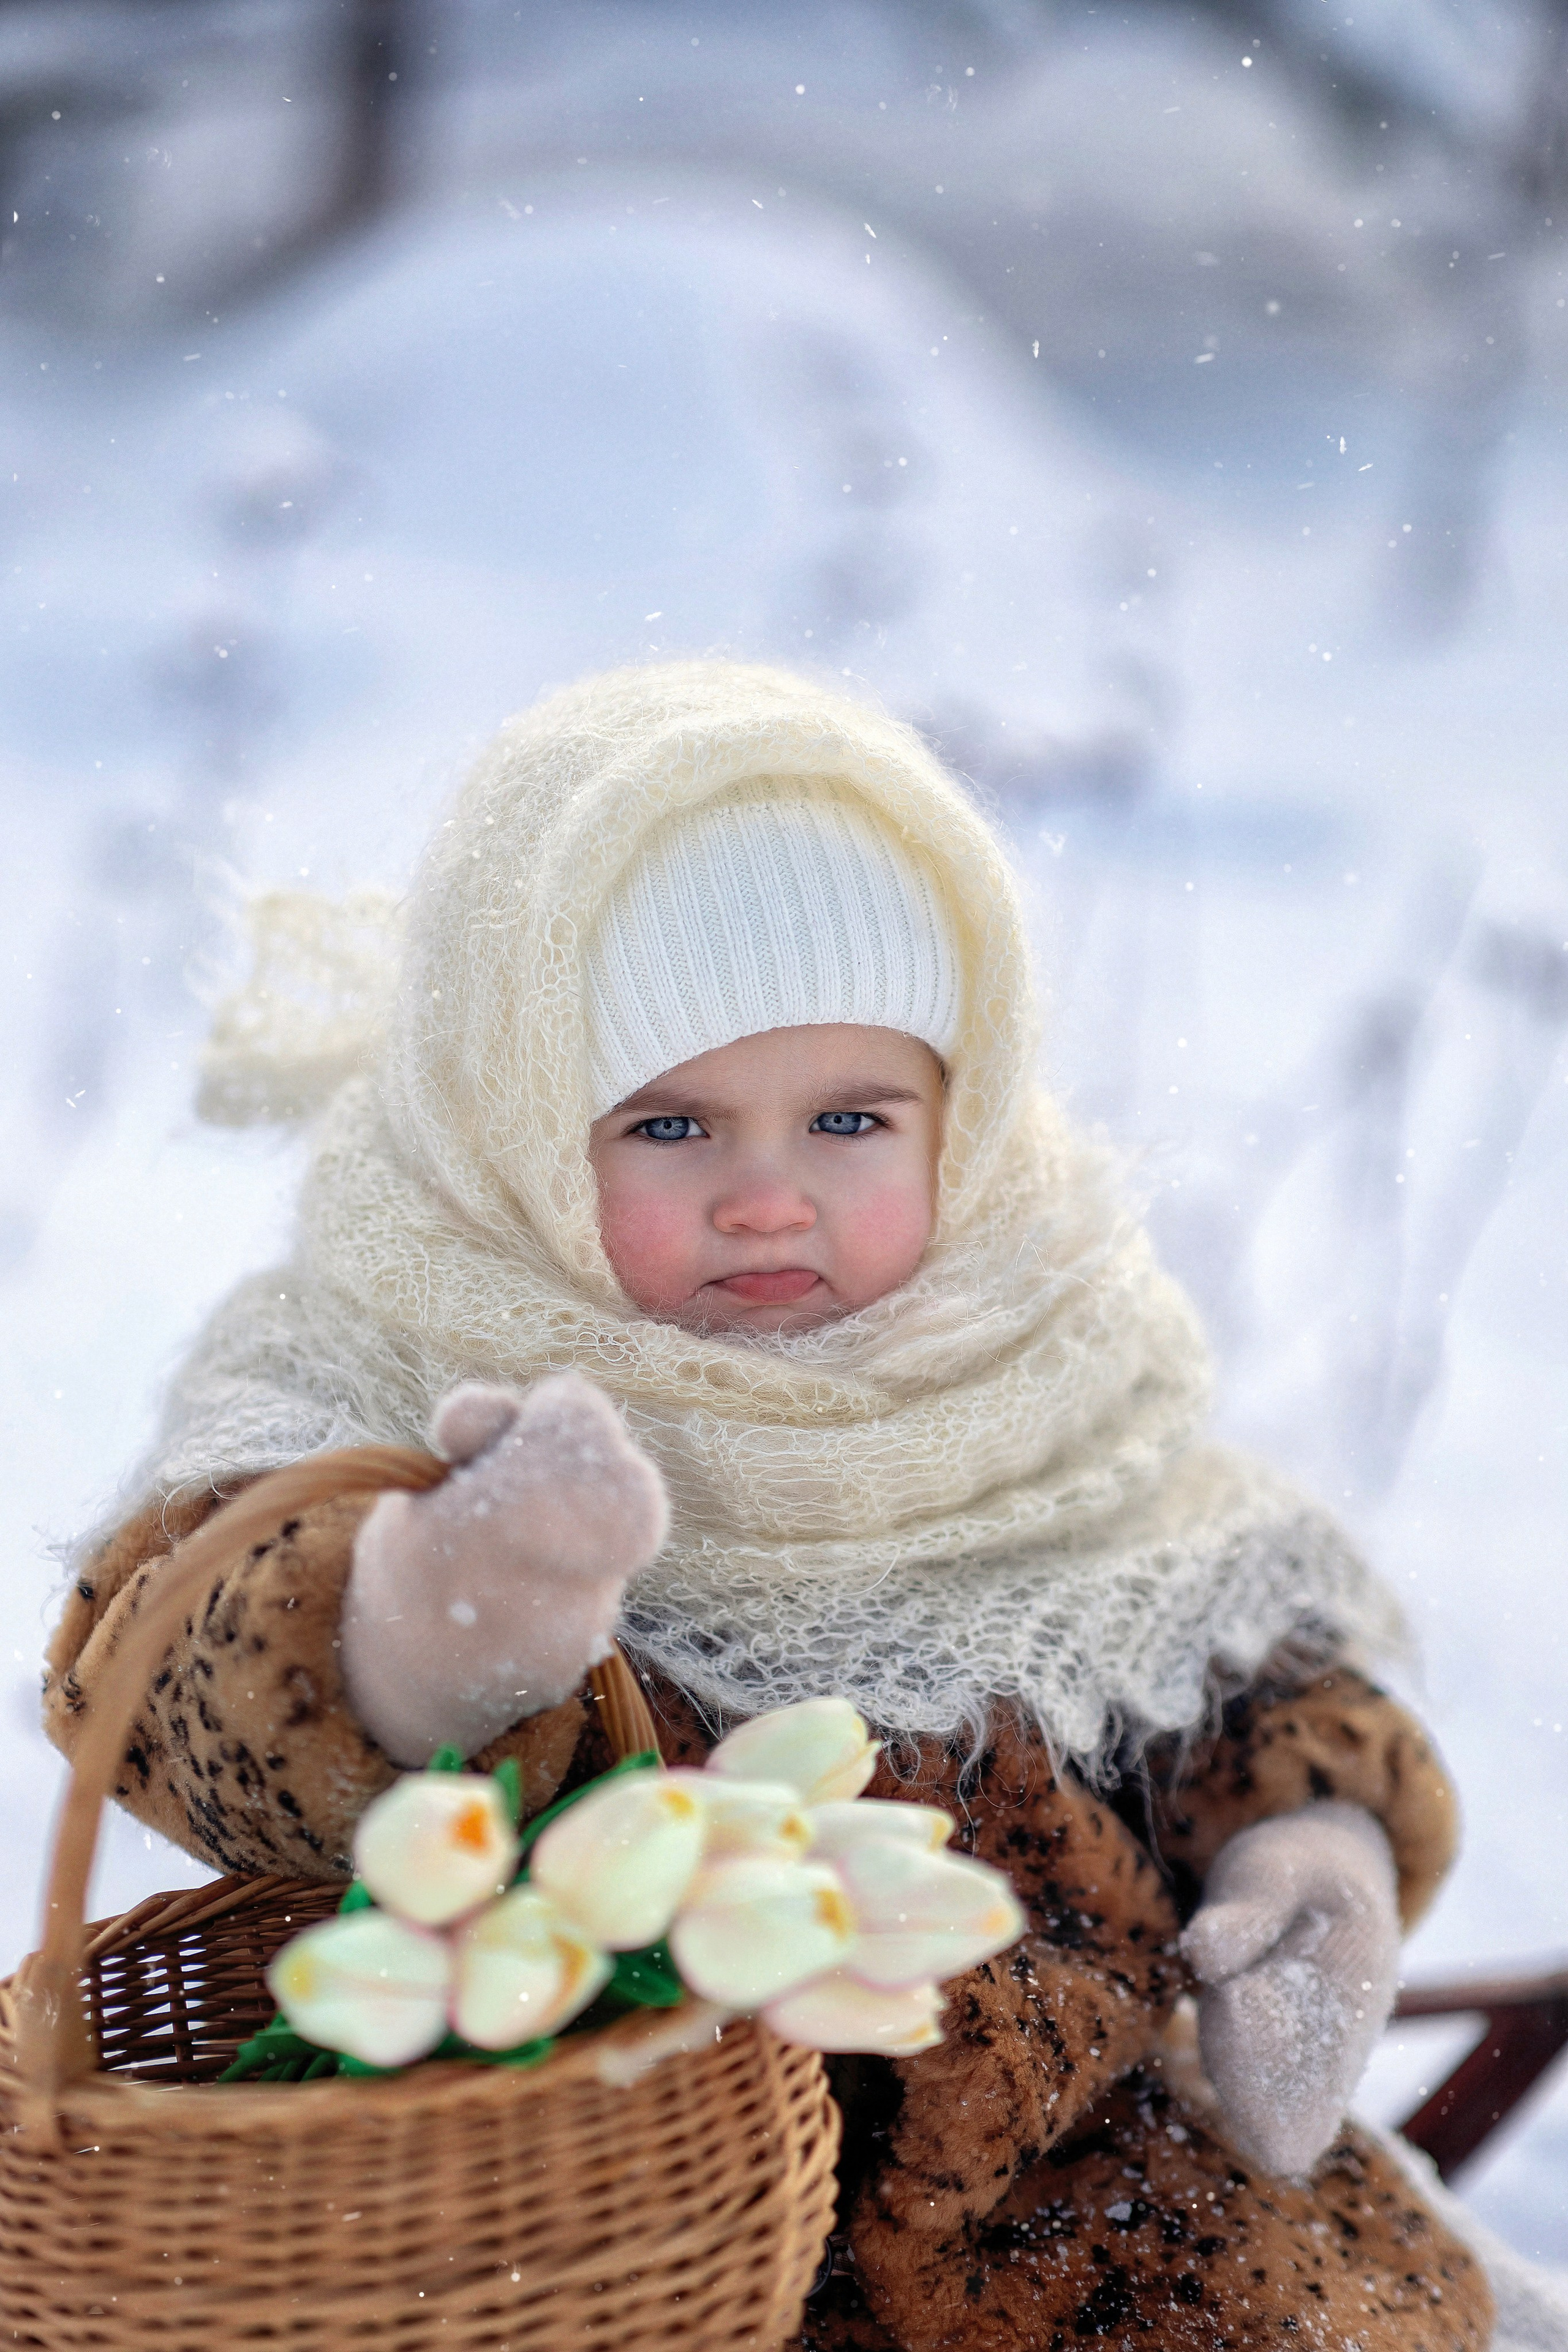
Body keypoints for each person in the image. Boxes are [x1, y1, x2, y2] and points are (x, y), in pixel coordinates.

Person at [47, 661, 1492, 2350]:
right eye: (670, 1125)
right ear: (513, 1123)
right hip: (577, 2200)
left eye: (848, 1119)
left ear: (965, 1115)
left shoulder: (1040, 1361)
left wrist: (1310, 1851)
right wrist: (438, 1614)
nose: (765, 1196)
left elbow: (1236, 1662)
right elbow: (182, 1659)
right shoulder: (383, 1355)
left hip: (1080, 2188)